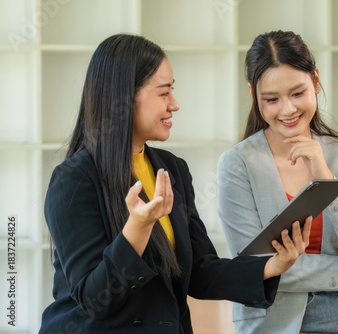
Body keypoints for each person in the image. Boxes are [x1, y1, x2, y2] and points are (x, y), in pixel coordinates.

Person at [39, 33, 312, 334]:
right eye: (164, 93)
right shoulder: (73, 181)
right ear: (125, 98)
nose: (175, 104)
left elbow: (199, 271)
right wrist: (139, 227)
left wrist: (273, 265)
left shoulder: (172, 169)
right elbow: (96, 300)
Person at [217, 30, 338, 334]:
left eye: (298, 93)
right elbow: (257, 268)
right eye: (271, 99)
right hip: (277, 323)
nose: (287, 110)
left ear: (316, 81)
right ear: (253, 96)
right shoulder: (237, 165)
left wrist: (324, 176)